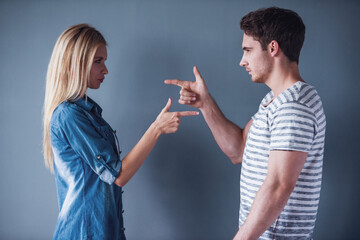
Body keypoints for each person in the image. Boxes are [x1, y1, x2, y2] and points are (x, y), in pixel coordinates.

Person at [165, 7, 326, 240]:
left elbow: (279, 186)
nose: (242, 61)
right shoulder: (274, 100)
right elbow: (238, 150)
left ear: (272, 48)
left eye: (248, 50)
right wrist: (205, 103)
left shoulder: (294, 106)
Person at [42, 23, 198, 240]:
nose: (105, 69)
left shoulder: (86, 113)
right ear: (75, 63)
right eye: (98, 61)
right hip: (83, 233)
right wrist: (156, 128)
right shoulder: (69, 116)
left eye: (104, 61)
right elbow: (118, 175)